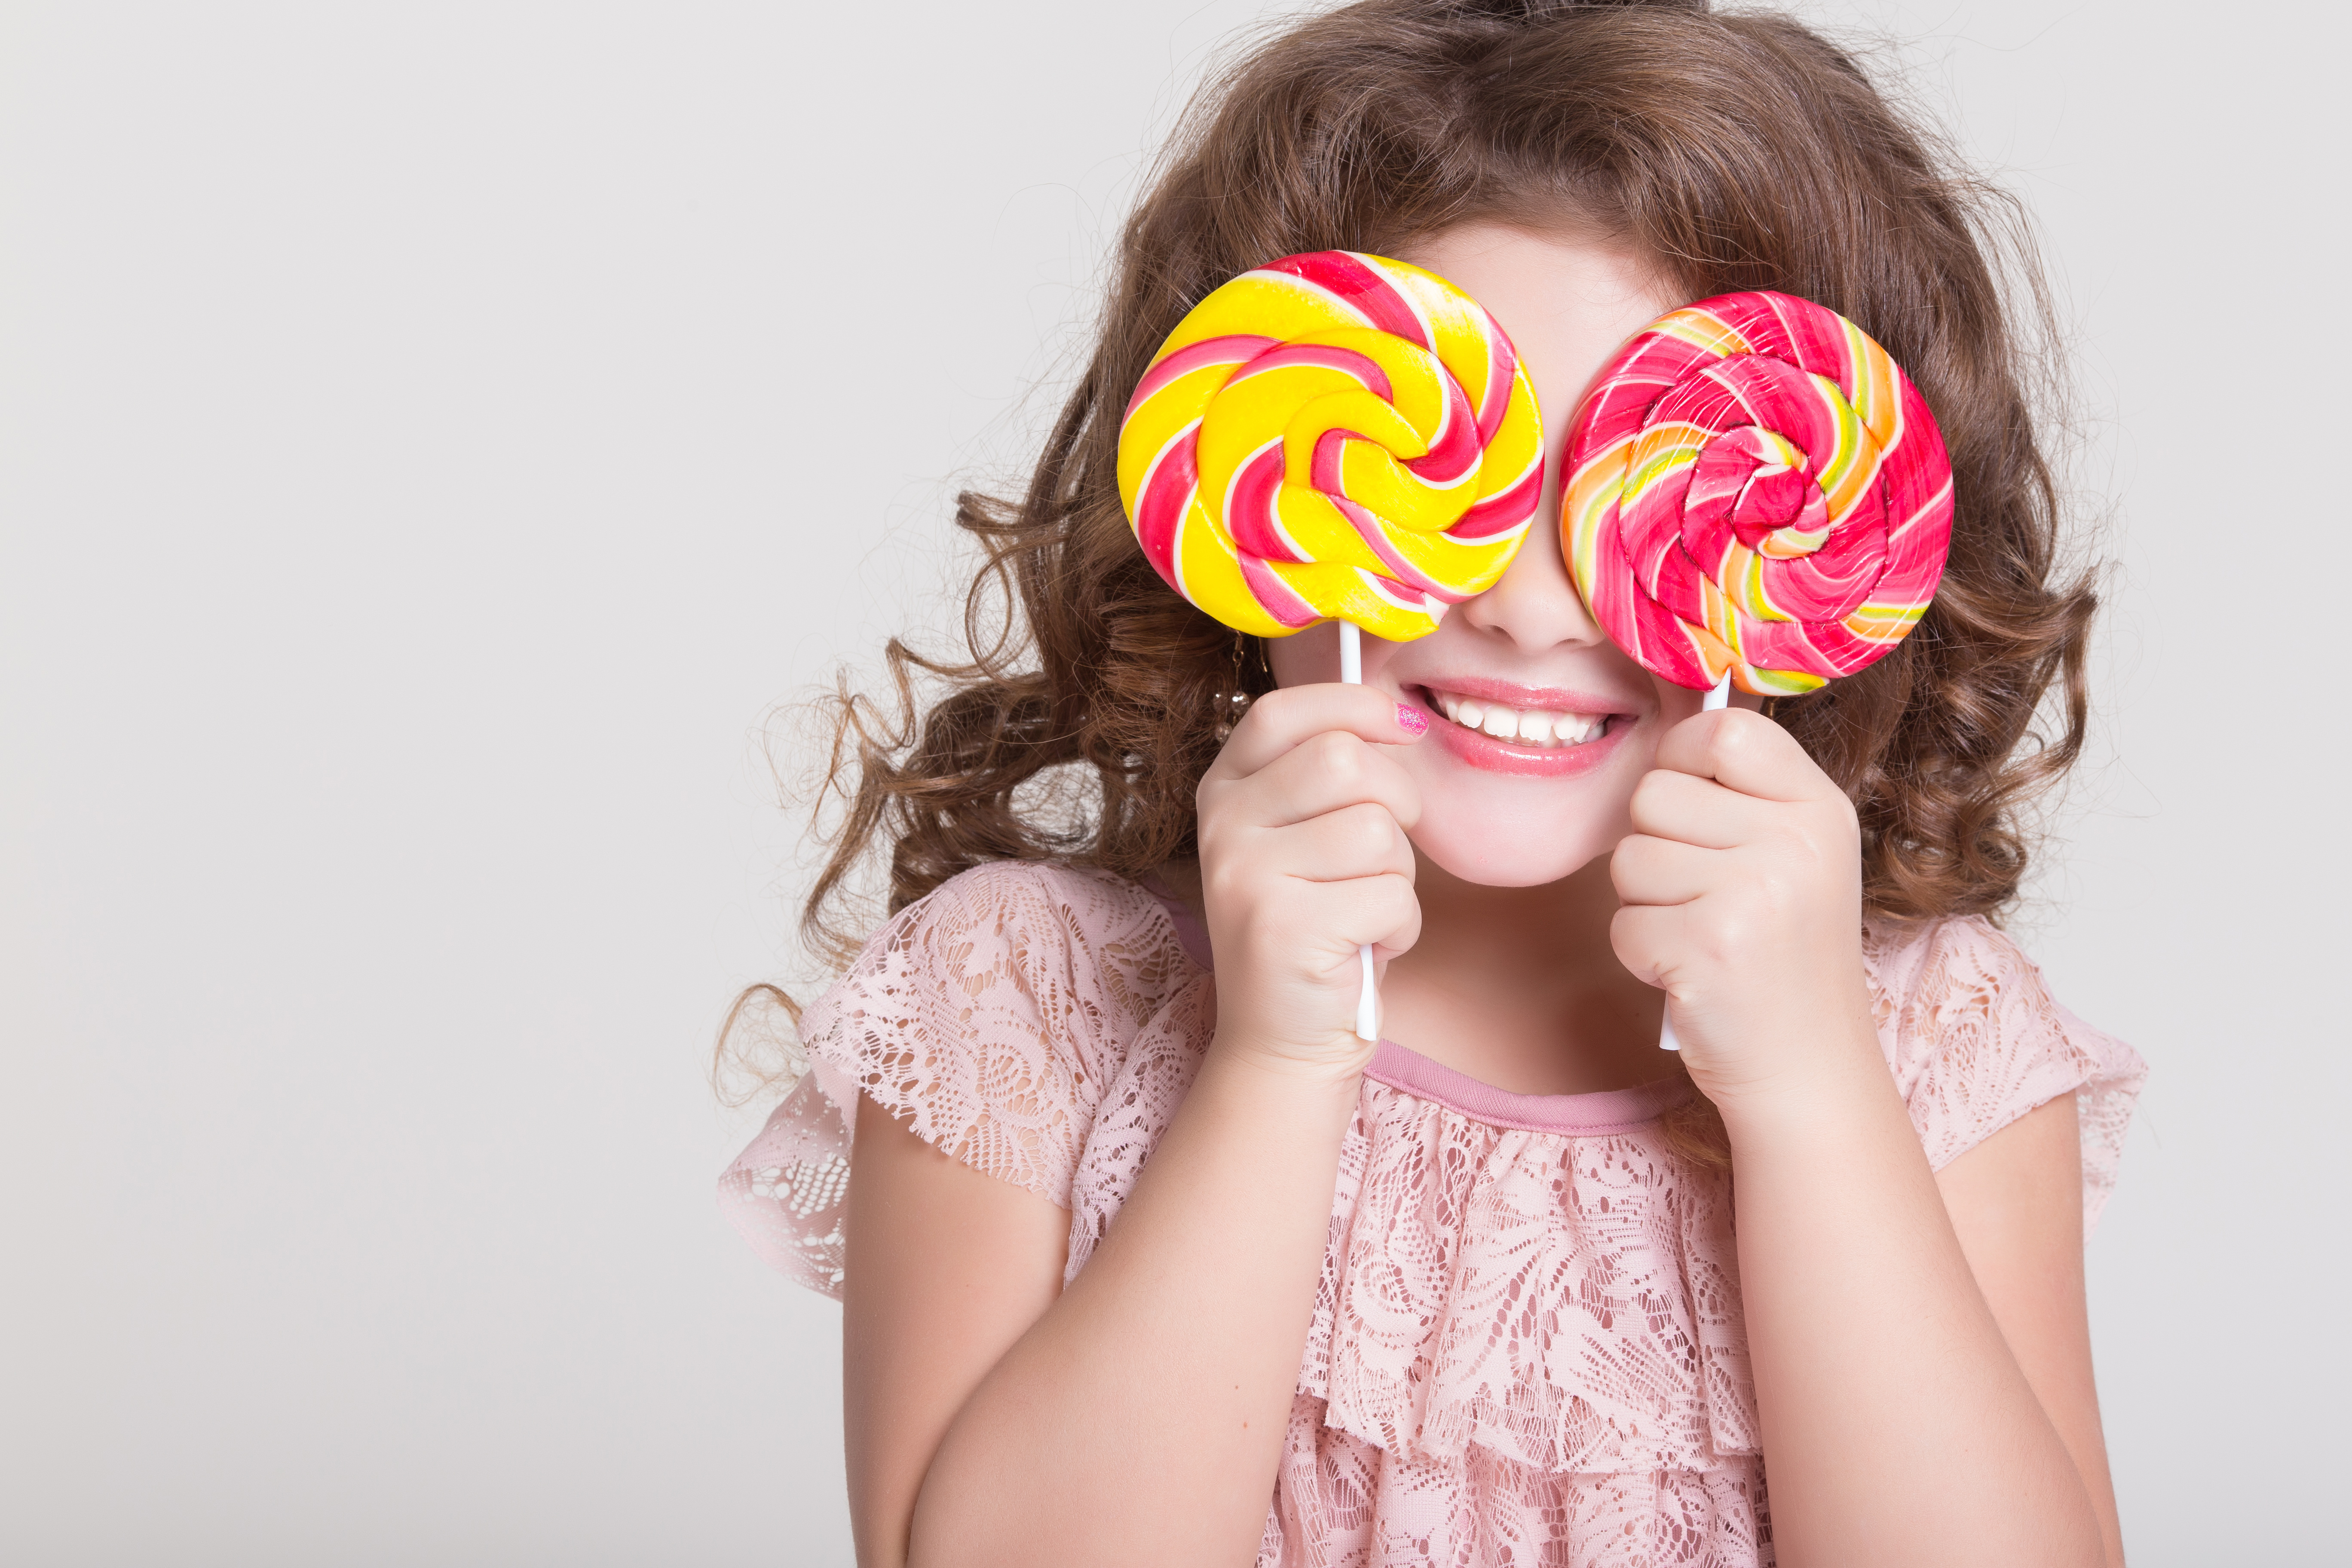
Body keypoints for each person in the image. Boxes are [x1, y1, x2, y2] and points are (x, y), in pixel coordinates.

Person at [718, 2, 2146, 1563]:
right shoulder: (1020, 998)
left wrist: (1813, 1095)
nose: (1532, 607)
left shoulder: (1936, 1043)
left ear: (1814, 529)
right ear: (1256, 476)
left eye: (1644, 483)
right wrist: (1273, 1063)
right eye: (1439, 475)